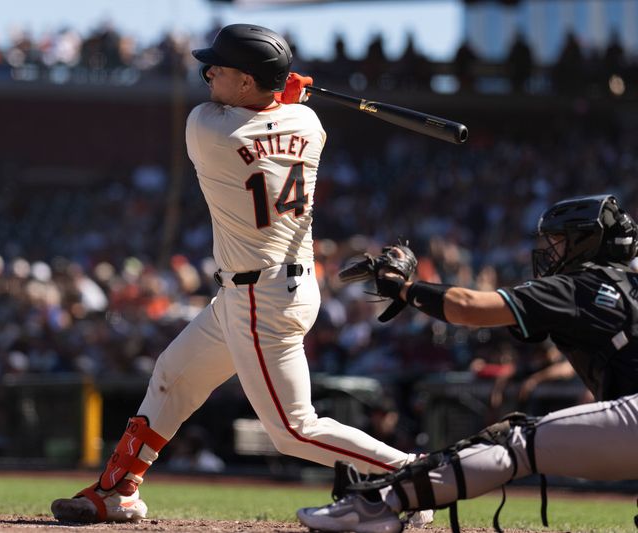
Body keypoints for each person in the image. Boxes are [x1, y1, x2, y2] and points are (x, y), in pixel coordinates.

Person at [51, 23, 431, 525]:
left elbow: (246, 112)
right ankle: (117, 491)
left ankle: (419, 477)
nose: (208, 73)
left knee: (293, 429)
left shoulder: (210, 129)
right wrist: (287, 94)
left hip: (261, 296)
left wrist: (286, 91)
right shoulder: (309, 124)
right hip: (270, 287)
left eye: (221, 68)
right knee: (172, 376)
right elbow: (283, 112)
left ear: (249, 82)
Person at [297, 194, 638, 533]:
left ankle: (381, 502)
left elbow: (468, 307)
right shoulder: (626, 285)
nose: (552, 251)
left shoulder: (579, 287)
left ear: (585, 242)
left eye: (560, 241)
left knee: (512, 441)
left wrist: (404, 289)